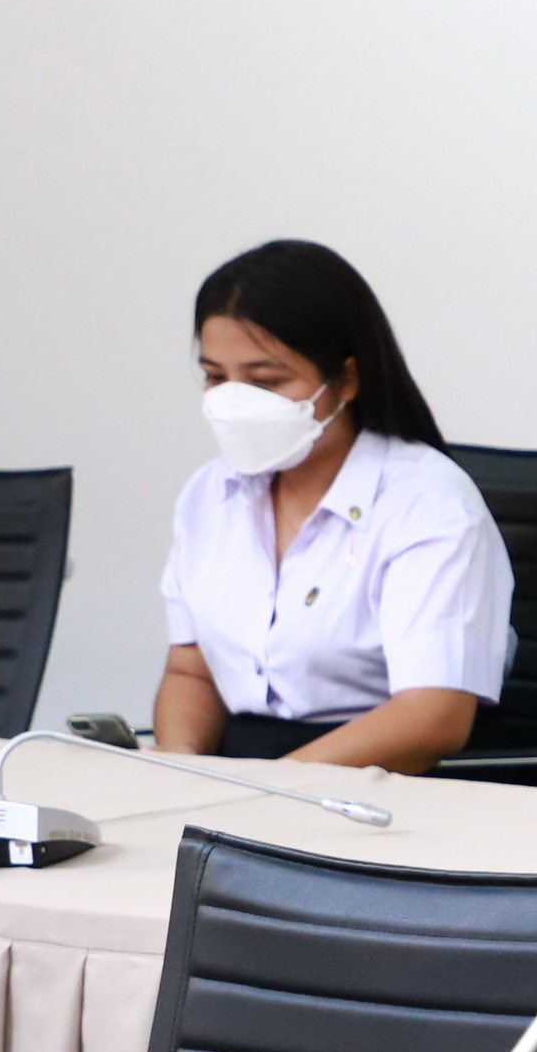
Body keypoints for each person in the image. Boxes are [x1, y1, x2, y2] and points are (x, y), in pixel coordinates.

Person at [153, 240, 511, 772]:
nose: (235, 401)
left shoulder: (428, 504)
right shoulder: (209, 494)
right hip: (247, 776)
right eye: (215, 377)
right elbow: (191, 671)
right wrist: (180, 765)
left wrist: (267, 790)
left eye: (266, 381)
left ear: (347, 378)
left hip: (381, 781)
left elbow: (433, 716)